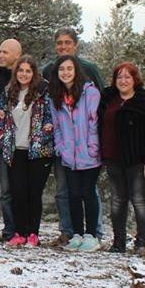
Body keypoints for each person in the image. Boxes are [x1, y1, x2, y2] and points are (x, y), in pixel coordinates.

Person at [42, 27, 104, 246]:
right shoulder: (51, 78)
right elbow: (55, 122)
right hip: (67, 151)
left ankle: (94, 234)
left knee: (89, 192)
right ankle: (71, 232)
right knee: (68, 192)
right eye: (59, 43)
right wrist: (60, 146)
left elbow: (97, 117)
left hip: (88, 150)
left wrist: (94, 146)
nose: (63, 46)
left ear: (75, 45)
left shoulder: (90, 78)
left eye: (67, 42)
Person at [0, 55, 54, 247]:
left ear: (34, 73)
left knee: (33, 193)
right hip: (15, 150)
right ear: (16, 72)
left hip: (38, 150)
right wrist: (3, 140)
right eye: (20, 70)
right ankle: (19, 232)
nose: (24, 74)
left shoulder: (43, 91)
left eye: (28, 71)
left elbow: (49, 118)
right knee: (18, 193)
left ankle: (33, 234)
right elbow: (1, 118)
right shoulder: (8, 92)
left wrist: (43, 138)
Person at [98, 62, 145, 254]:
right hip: (113, 158)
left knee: (139, 200)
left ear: (135, 80)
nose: (123, 81)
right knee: (117, 201)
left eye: (127, 77)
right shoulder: (108, 99)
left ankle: (142, 241)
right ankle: (118, 242)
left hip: (138, 160)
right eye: (119, 77)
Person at [0, 38, 22, 240]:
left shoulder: (28, 78)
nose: (0, 55)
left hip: (24, 144)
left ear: (17, 54)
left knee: (23, 188)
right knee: (6, 189)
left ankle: (25, 229)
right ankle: (10, 230)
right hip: (1, 145)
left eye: (5, 52)